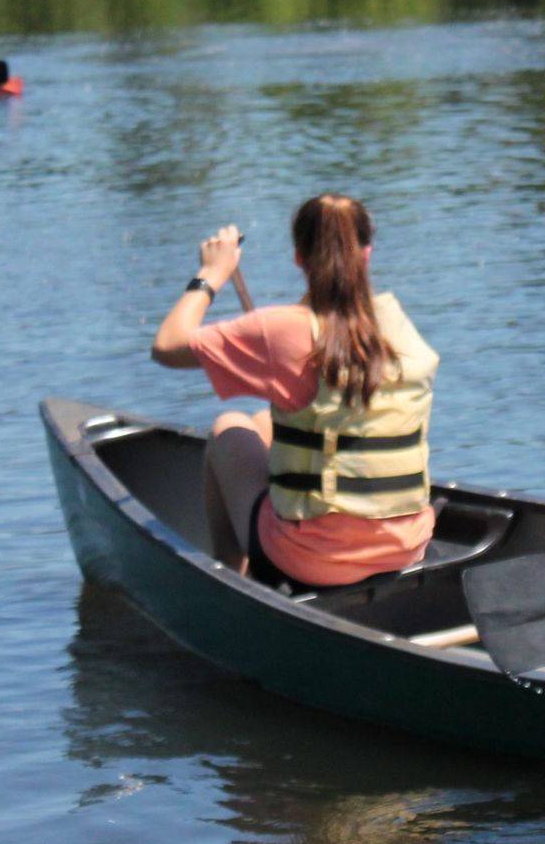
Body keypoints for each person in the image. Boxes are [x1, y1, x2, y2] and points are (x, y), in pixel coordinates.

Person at [150, 194, 439, 591]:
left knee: (230, 426)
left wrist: (213, 273)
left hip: (314, 559)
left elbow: (166, 345)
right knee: (261, 422)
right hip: (407, 545)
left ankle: (232, 584)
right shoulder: (394, 322)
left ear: (299, 257)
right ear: (367, 253)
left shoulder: (282, 330)